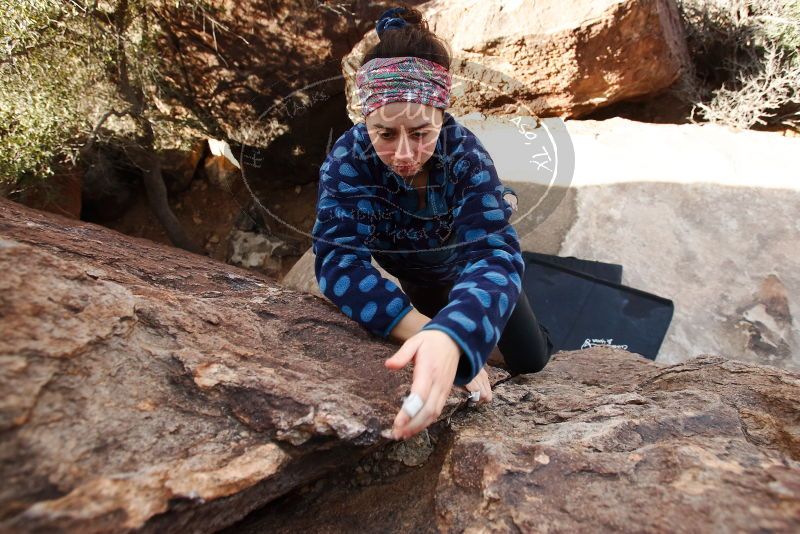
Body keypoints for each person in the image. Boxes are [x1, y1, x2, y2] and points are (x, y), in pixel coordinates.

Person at [311, 5, 553, 441]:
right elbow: (338, 263)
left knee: (532, 359)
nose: (404, 154)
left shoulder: (465, 155)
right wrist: (432, 331)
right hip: (418, 277)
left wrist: (457, 331)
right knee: (445, 335)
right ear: (364, 119)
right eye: (385, 134)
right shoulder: (348, 162)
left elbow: (494, 255)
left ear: (443, 115)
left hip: (465, 264)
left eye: (421, 132)